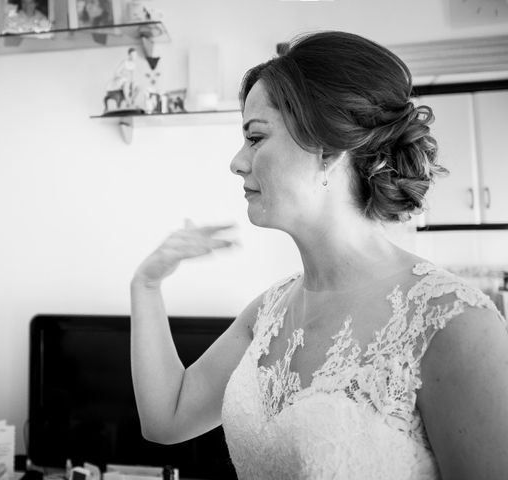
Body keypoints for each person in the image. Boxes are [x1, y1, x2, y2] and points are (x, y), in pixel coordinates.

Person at [129, 31, 508, 479]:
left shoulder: (453, 323)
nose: (237, 161)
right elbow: (167, 419)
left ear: (326, 149)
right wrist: (147, 284)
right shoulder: (268, 313)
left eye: (255, 137)